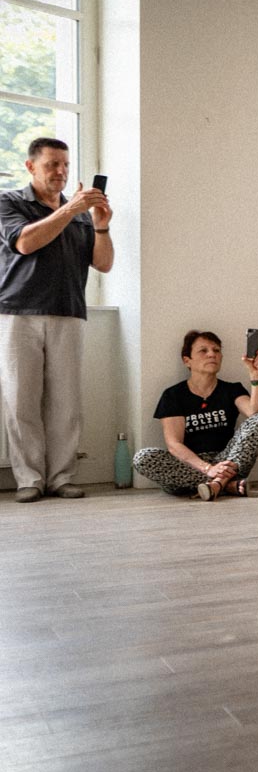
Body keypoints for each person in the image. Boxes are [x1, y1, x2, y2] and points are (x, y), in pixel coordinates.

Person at [0, 138, 112, 503]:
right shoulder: (9, 202)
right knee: (21, 401)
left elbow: (104, 264)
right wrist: (70, 211)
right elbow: (25, 244)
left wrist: (100, 225)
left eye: (65, 164)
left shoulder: (78, 212)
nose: (61, 172)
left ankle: (61, 476)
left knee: (66, 402)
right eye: (52, 165)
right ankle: (29, 479)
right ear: (31, 166)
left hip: (68, 311)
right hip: (19, 311)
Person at [134, 331, 258, 500]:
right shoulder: (174, 395)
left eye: (216, 350)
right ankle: (226, 484)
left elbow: (256, 415)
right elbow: (174, 444)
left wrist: (255, 376)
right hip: (190, 465)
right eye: (203, 351)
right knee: (143, 458)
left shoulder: (232, 389)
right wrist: (208, 469)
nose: (212, 354)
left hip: (229, 460)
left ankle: (216, 484)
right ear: (187, 361)